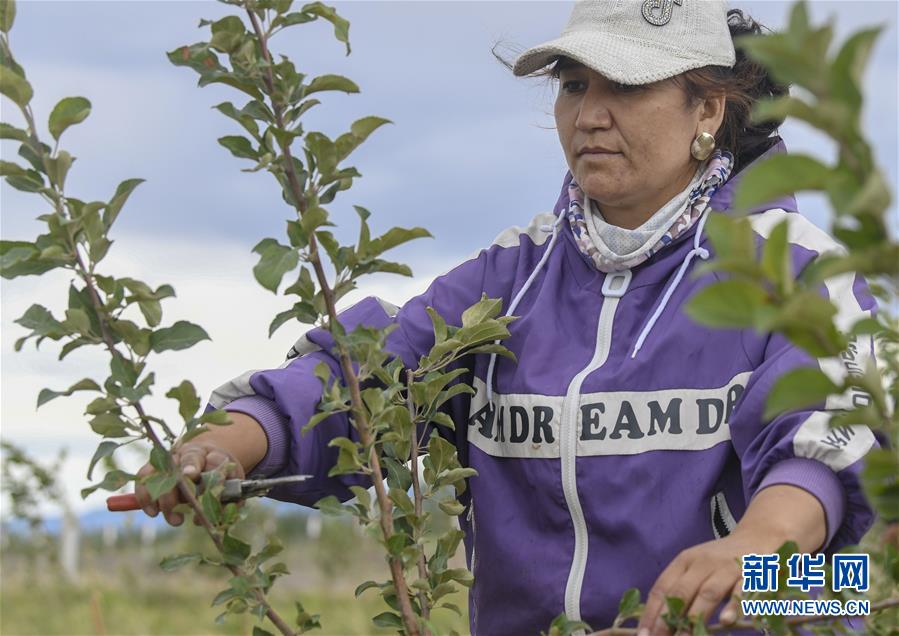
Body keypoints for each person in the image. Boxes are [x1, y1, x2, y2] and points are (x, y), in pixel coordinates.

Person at [134, 2, 879, 634]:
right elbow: (365, 382)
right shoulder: (510, 279)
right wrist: (229, 443)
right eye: (574, 85)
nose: (589, 114)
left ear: (708, 109)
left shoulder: (795, 272)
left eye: (624, 85)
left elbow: (839, 494)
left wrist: (755, 555)